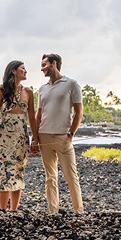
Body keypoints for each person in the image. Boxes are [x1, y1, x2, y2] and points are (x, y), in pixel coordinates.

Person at [32, 53, 84, 214]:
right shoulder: (42, 89)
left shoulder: (72, 84)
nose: (42, 69)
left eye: (44, 65)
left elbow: (79, 112)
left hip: (63, 137)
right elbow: (38, 115)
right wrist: (35, 138)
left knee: (71, 176)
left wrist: (71, 133)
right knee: (50, 177)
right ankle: (52, 211)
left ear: (54, 64)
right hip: (44, 136)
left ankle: (78, 211)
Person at [0, 60, 37, 212]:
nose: (26, 71)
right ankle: (3, 209)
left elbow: (31, 117)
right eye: (23, 68)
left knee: (18, 171)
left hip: (21, 136)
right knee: (4, 171)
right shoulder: (0, 90)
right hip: (4, 136)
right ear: (13, 71)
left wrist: (35, 139)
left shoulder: (28, 92)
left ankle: (14, 210)